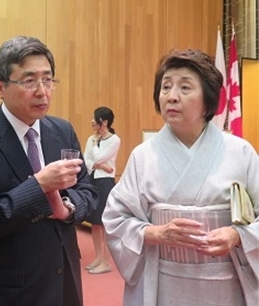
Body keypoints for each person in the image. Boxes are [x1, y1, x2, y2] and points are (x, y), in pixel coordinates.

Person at [103, 49, 259, 306]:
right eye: (166, 87)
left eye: (185, 88)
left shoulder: (240, 153)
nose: (171, 97)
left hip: (226, 284)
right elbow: (115, 219)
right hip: (163, 282)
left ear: (208, 102)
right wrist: (156, 233)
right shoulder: (143, 156)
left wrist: (237, 235)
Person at [0, 36, 97, 306]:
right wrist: (38, 186)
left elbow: (88, 190)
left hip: (65, 277)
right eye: (29, 81)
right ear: (1, 86)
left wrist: (68, 208)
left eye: (48, 80)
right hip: (15, 288)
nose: (42, 91)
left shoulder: (61, 131)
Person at [83, 106, 120, 274]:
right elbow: (86, 160)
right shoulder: (91, 138)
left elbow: (98, 157)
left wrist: (97, 147)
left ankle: (105, 261)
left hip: (105, 182)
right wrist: (102, 165)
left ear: (104, 122)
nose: (92, 121)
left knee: (103, 223)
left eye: (95, 118)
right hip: (93, 179)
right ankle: (98, 257)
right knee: (95, 223)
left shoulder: (114, 140)